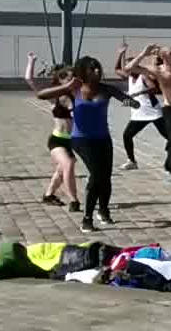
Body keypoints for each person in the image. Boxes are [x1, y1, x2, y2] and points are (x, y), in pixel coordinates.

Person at [33, 56, 138, 232]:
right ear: (83, 71)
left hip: (103, 139)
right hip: (81, 140)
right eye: (92, 68)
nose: (97, 71)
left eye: (98, 67)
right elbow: (40, 95)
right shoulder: (74, 90)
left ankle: (104, 211)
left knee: (105, 177)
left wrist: (131, 102)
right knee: (97, 175)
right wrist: (66, 87)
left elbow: (129, 100)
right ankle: (87, 219)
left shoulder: (106, 89)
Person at [123, 45, 171, 184]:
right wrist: (144, 53)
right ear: (163, 56)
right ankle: (170, 169)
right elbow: (128, 68)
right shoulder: (157, 71)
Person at [25, 54, 80, 212]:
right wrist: (31, 61)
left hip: (73, 141)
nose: (72, 81)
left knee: (61, 171)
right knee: (68, 164)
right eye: (69, 78)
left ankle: (49, 195)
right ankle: (74, 200)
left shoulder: (78, 96)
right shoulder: (53, 96)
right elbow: (30, 80)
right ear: (61, 80)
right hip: (57, 140)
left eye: (73, 78)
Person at [116, 44, 165, 171]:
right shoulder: (129, 78)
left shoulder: (144, 76)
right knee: (127, 135)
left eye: (129, 65)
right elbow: (117, 69)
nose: (126, 69)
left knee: (169, 136)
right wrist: (121, 53)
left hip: (154, 112)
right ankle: (132, 161)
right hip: (139, 114)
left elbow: (154, 89)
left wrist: (139, 93)